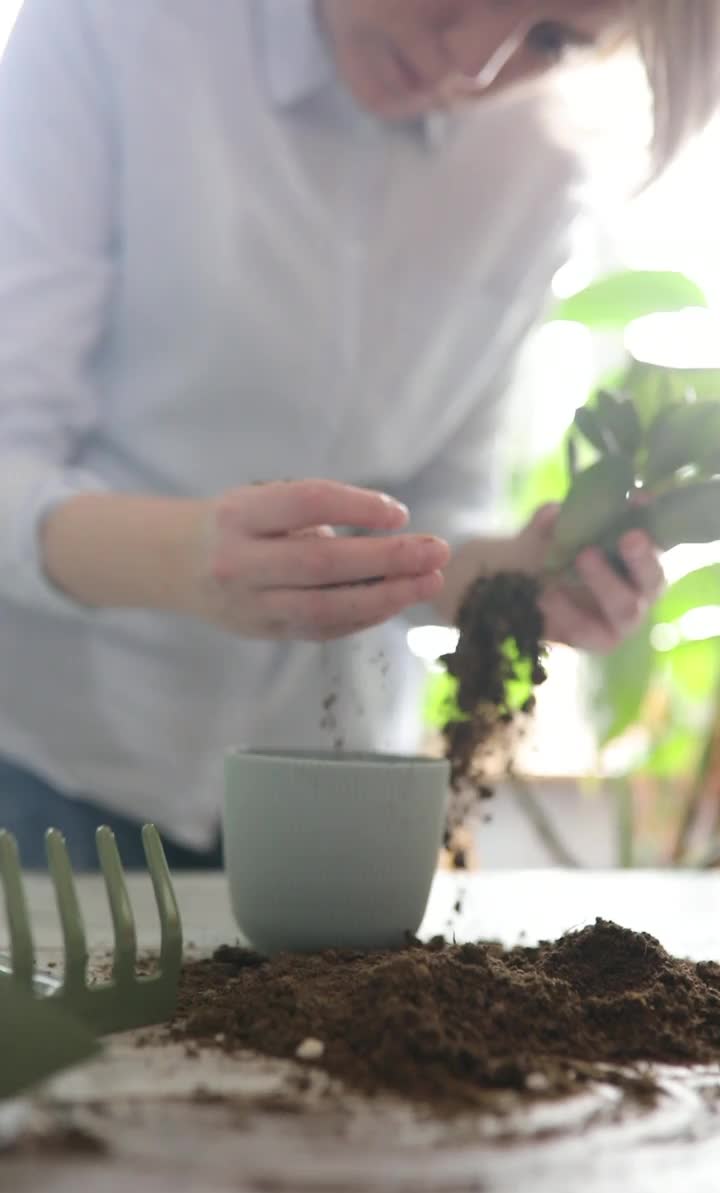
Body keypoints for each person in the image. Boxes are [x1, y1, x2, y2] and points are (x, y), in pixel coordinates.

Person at [0, 0, 717, 870]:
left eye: (552, 38)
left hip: (331, 804)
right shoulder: (112, 29)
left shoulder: (537, 161)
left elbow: (437, 518)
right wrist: (188, 558)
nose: (479, 65)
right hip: (57, 768)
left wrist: (512, 581)